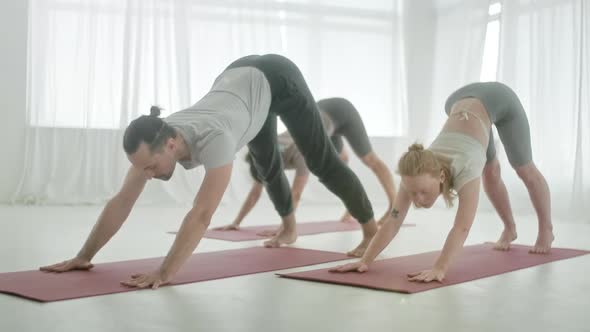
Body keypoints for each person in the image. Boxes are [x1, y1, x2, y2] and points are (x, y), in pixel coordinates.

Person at [39, 54, 379, 289]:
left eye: (151, 167)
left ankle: (370, 229)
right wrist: (83, 257)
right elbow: (122, 201)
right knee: (265, 165)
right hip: (240, 82)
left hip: (278, 77)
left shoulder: (215, 139)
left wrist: (165, 271)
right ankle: (289, 229)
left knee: (321, 160)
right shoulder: (157, 134)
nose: (147, 175)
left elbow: (201, 214)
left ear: (171, 145)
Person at [330, 82, 554, 283]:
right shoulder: (413, 174)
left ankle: (546, 229)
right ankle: (510, 228)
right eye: (413, 193)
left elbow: (462, 226)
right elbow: (393, 222)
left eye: (423, 192)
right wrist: (366, 261)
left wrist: (440, 267)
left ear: (442, 177)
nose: (417, 199)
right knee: (491, 170)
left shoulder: (465, 167)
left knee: (521, 169)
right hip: (459, 103)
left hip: (499, 100)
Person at [214, 97, 396, 234]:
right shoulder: (266, 155)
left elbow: (296, 193)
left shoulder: (300, 153)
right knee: (341, 162)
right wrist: (236, 222)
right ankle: (353, 208)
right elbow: (255, 192)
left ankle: (392, 206)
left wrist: (284, 228)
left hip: (341, 111)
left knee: (368, 160)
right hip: (322, 121)